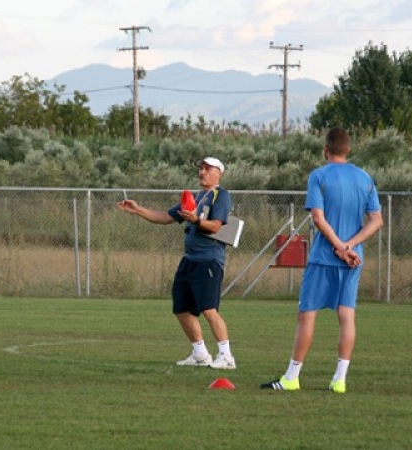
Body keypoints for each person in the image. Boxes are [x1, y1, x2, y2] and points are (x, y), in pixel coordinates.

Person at [261, 128, 383, 393]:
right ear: (348, 150)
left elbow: (318, 218)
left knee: (307, 316)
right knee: (347, 317)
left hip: (324, 258)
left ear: (325, 150)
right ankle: (340, 379)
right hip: (353, 259)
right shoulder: (365, 178)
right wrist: (350, 246)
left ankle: (292, 377)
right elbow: (377, 220)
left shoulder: (318, 176)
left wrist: (339, 247)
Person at [117, 156, 237, 370]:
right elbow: (165, 217)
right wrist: (138, 210)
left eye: (208, 168)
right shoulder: (194, 197)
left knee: (209, 309)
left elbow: (216, 226)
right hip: (189, 260)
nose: (202, 172)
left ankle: (226, 356)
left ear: (219, 173)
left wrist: (196, 221)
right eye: (201, 168)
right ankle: (200, 354)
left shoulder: (221, 195)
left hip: (209, 261)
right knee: (181, 308)